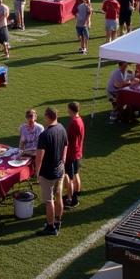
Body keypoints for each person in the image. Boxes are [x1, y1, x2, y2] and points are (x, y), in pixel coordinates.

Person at [35, 107, 68, 237]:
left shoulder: (44, 135)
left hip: (48, 173)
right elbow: (66, 145)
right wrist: (63, 160)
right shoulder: (62, 128)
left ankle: (50, 227)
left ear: (48, 117)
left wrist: (37, 172)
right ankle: (58, 221)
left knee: (49, 201)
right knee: (59, 196)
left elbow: (39, 157)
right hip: (60, 169)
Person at [64, 101, 85, 207]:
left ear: (71, 110)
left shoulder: (73, 123)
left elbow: (68, 140)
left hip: (71, 154)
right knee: (76, 173)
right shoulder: (79, 120)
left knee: (69, 177)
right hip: (77, 152)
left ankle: (70, 199)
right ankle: (76, 193)